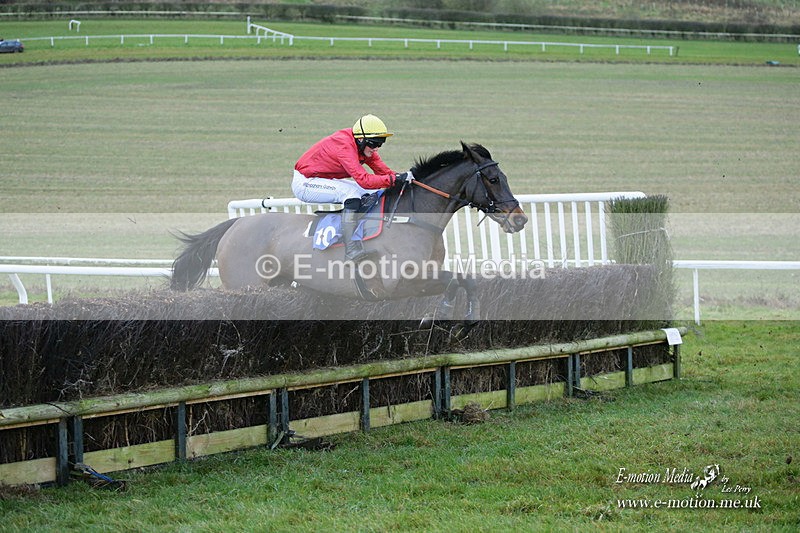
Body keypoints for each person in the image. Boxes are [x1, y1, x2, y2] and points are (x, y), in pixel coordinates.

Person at [293, 114, 404, 262]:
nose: (376, 148)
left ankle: (366, 233)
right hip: (305, 183)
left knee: (373, 192)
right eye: (374, 143)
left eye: (381, 142)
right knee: (351, 193)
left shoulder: (365, 147)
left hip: (322, 179)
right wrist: (393, 179)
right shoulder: (344, 146)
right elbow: (364, 180)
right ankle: (351, 248)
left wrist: (405, 179)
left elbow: (384, 173)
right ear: (361, 139)